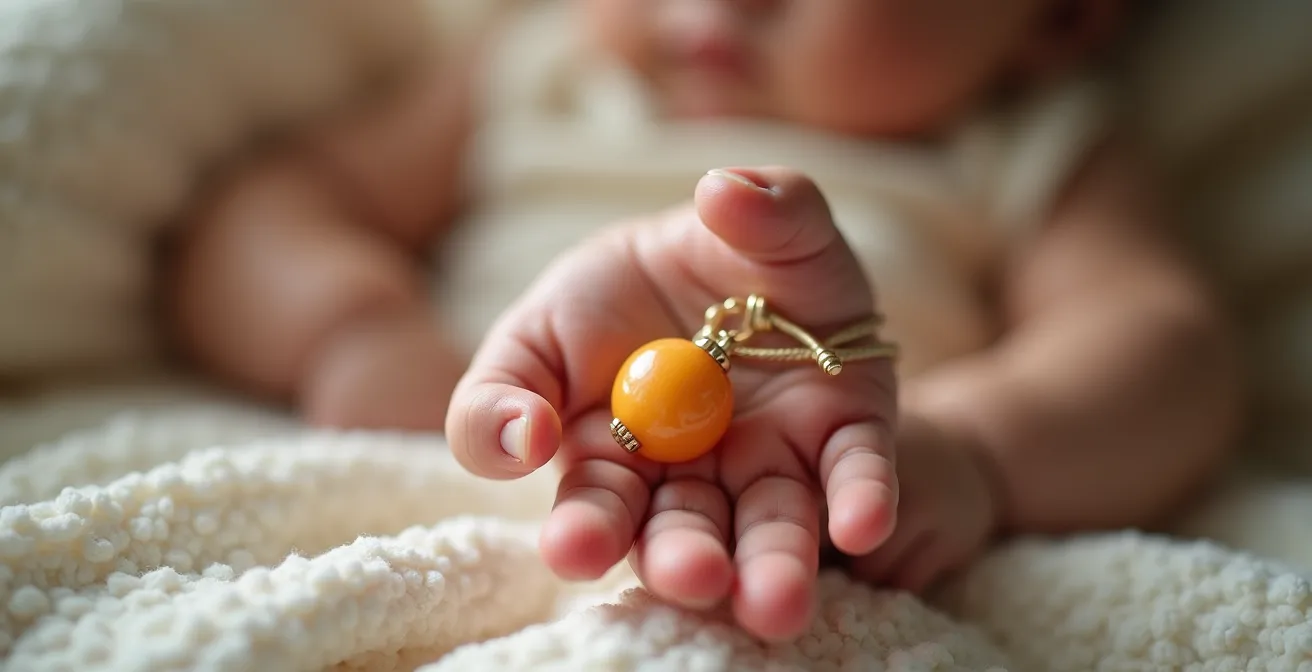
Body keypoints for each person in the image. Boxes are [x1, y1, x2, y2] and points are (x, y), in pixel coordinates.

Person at [164, 0, 1244, 642]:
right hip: (478, 490)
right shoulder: (547, 71)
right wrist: (352, 329)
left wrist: (974, 444)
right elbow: (268, 209)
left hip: (833, 547)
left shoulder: (1011, 147)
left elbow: (1161, 344)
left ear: (1057, 18)